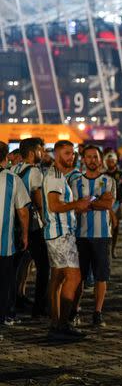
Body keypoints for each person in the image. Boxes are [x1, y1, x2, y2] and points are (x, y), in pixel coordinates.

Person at [42, 140, 92, 340]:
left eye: (72, 153)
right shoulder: (55, 177)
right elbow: (54, 205)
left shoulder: (56, 175)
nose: (70, 157)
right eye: (66, 153)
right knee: (74, 277)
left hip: (55, 233)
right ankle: (62, 323)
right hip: (61, 233)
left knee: (57, 278)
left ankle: (56, 323)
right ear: (56, 155)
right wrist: (76, 204)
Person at [69, 146, 115, 327]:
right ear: (83, 160)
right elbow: (75, 206)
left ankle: (97, 312)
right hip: (80, 235)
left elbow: (109, 204)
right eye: (88, 157)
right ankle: (74, 310)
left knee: (100, 277)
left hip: (102, 236)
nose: (92, 160)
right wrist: (98, 200)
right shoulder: (75, 182)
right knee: (78, 276)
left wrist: (88, 202)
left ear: (100, 159)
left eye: (95, 157)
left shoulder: (109, 181)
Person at [12, 137, 48, 318]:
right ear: (33, 152)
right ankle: (39, 307)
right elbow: (38, 197)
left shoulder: (14, 168)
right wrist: (44, 218)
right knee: (44, 266)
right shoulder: (34, 172)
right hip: (33, 225)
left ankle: (17, 298)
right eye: (41, 150)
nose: (43, 153)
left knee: (19, 263)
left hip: (16, 224)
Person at [0, 142, 30, 332]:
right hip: (4, 244)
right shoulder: (12, 179)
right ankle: (3, 316)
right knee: (4, 282)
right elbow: (23, 212)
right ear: (6, 157)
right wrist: (25, 234)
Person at [104, 152, 122, 259]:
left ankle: (113, 249)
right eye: (108, 161)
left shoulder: (121, 174)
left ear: (115, 162)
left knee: (116, 227)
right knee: (106, 227)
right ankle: (107, 249)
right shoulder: (103, 175)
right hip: (107, 204)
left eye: (112, 161)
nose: (110, 163)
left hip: (117, 203)